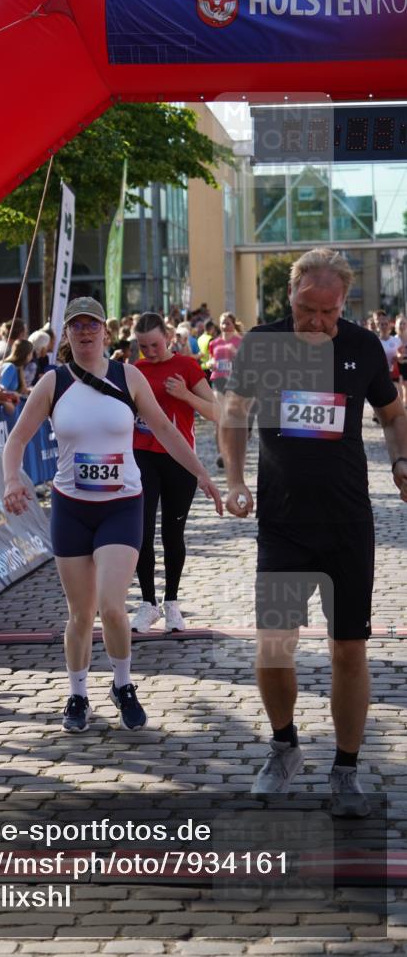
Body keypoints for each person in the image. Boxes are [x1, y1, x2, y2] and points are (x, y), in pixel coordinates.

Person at [220, 248, 407, 816]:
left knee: (348, 648)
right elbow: (234, 414)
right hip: (283, 522)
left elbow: (394, 414)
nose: (317, 323)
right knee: (274, 645)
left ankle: (346, 769)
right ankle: (283, 747)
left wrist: (400, 462)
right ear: (290, 296)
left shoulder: (362, 346)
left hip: (349, 522)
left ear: (343, 305)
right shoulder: (262, 344)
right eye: (307, 309)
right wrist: (233, 479)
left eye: (328, 313)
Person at [2, 297, 222, 734]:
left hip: (121, 504)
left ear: (105, 332)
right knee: (80, 613)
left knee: (112, 607)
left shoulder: (129, 376)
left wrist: (202, 476)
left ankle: (123, 685)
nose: (85, 332)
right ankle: (78, 693)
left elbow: (164, 429)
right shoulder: (53, 382)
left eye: (93, 325)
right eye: (76, 325)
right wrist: (12, 480)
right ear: (66, 334)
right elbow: (16, 440)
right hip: (71, 508)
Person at [131, 312, 219, 632]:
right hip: (142, 455)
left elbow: (215, 412)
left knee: (172, 533)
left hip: (179, 459)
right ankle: (146, 603)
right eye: (143, 346)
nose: (150, 352)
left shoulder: (187, 366)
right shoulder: (135, 370)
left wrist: (185, 395)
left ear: (167, 336)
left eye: (154, 344)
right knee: (141, 531)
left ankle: (171, 603)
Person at [209, 312, 243, 467]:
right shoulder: (214, 343)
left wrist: (235, 353)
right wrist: (210, 363)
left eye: (227, 323)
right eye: (222, 323)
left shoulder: (239, 341)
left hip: (234, 381)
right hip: (218, 379)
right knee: (219, 418)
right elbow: (210, 358)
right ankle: (221, 454)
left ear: (233, 324)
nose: (224, 326)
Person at [394, 314, 407, 408]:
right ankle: (401, 406)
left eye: (404, 323)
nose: (402, 325)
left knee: (406, 385)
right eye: (400, 323)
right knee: (400, 386)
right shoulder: (394, 339)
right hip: (397, 365)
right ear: (396, 325)